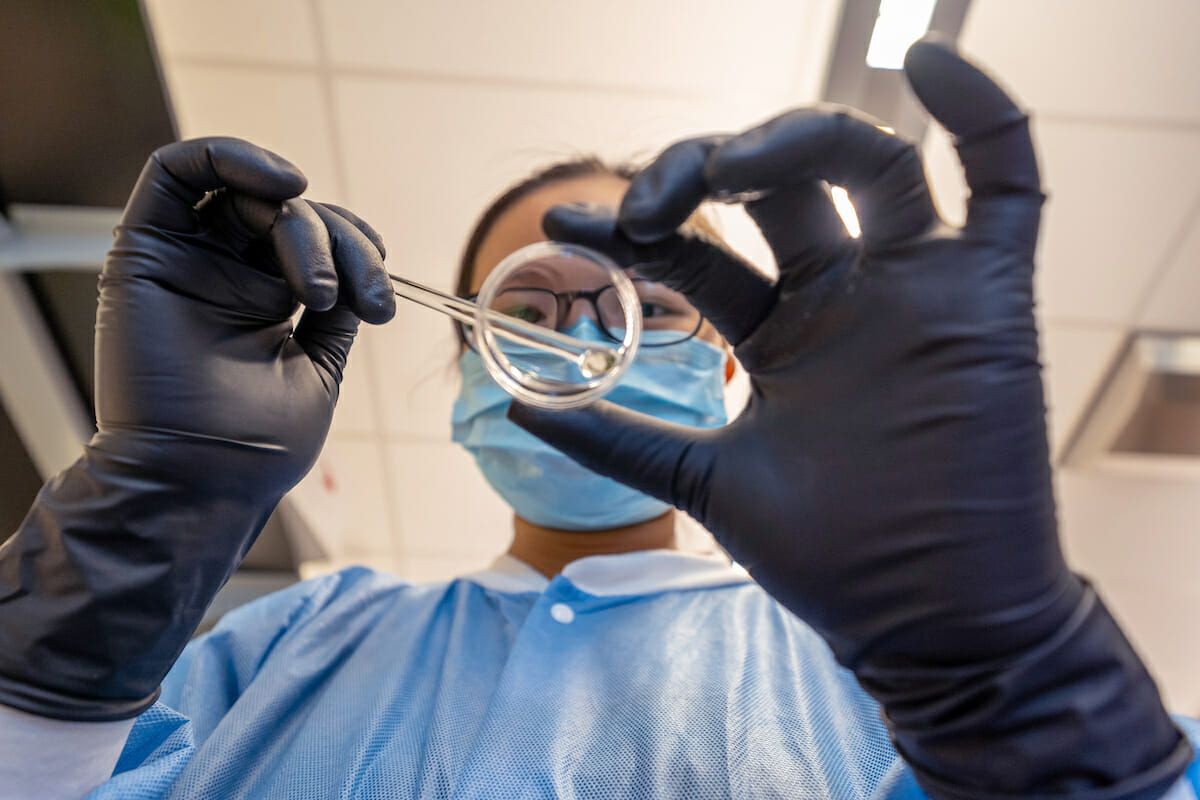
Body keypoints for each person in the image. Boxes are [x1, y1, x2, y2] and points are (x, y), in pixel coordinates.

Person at [1, 38, 1198, 800]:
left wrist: (1012, 688)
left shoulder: (880, 671)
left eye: (646, 305)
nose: (581, 340)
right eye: (526, 307)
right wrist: (129, 528)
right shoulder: (295, 646)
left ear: (732, 363)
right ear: (466, 359)